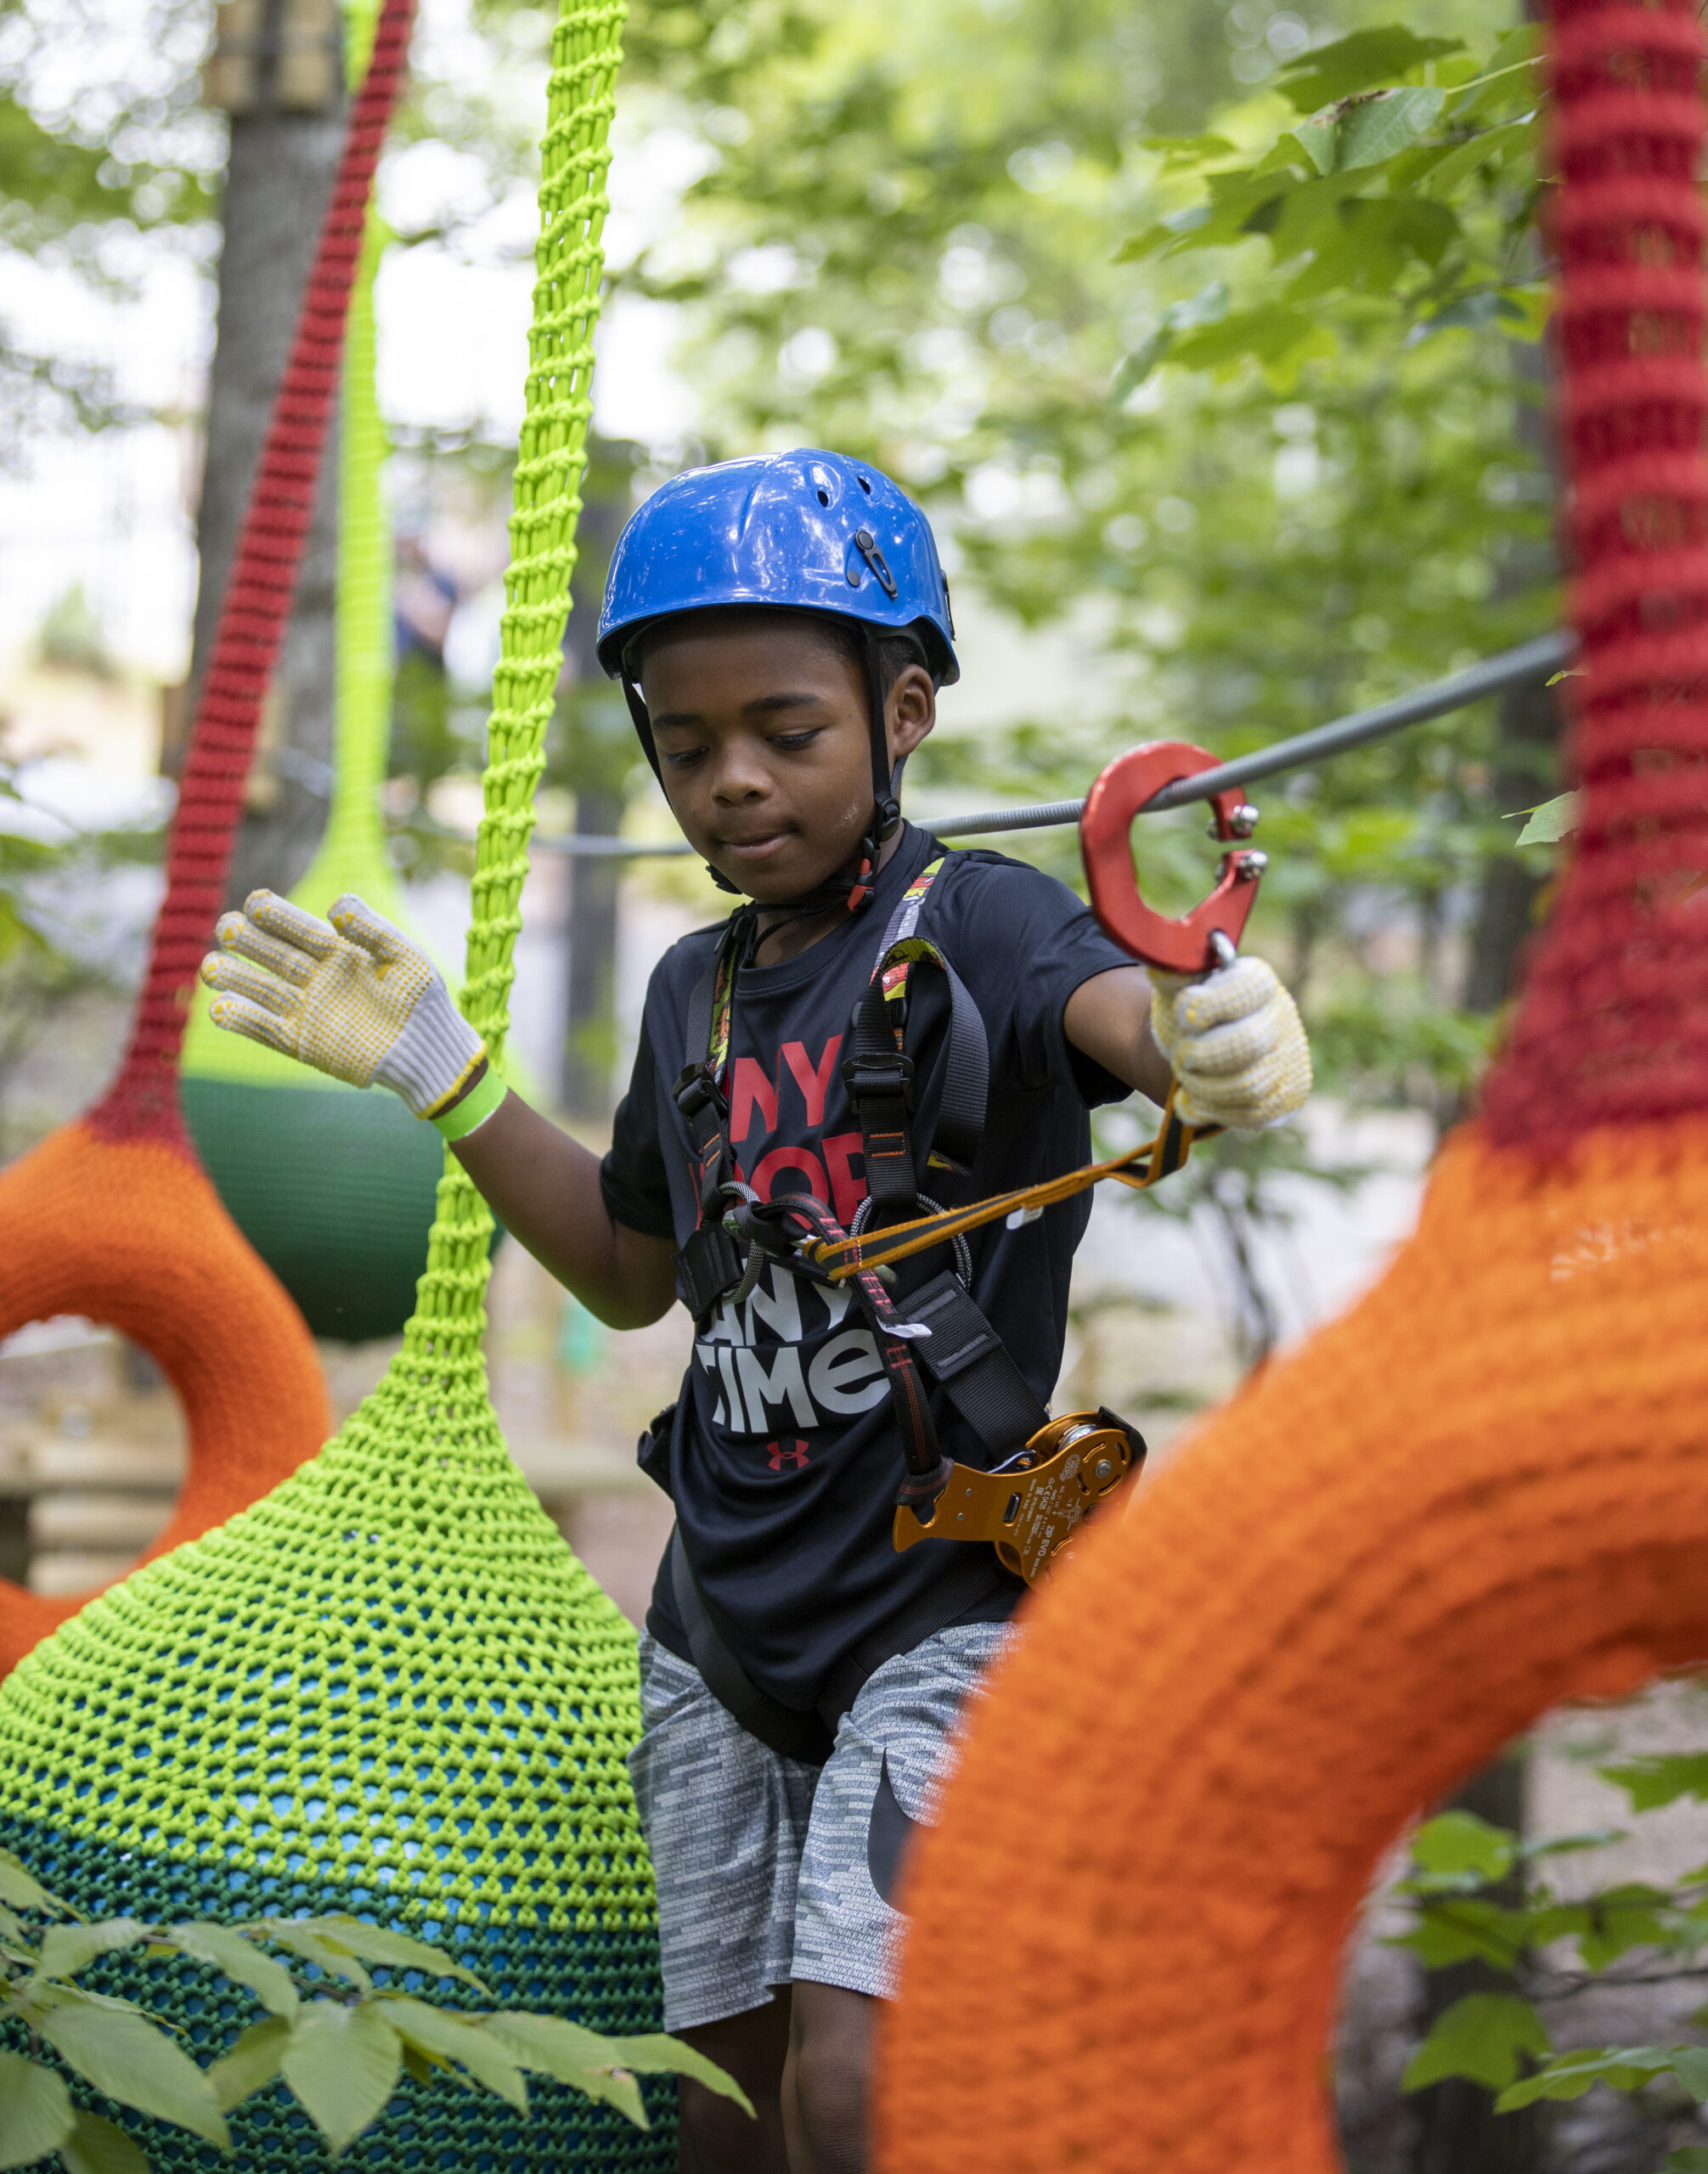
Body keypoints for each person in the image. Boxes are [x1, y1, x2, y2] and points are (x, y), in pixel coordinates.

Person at [200, 448, 1312, 2174]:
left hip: (942, 1608)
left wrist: (1211, 1039)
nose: (727, 781)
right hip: (720, 1618)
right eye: (683, 740)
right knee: (718, 2112)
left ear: (906, 708)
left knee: (858, 2098)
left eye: (786, 731)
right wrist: (448, 1078)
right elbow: (636, 1268)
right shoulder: (691, 988)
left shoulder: (987, 926)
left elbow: (1126, 1023)